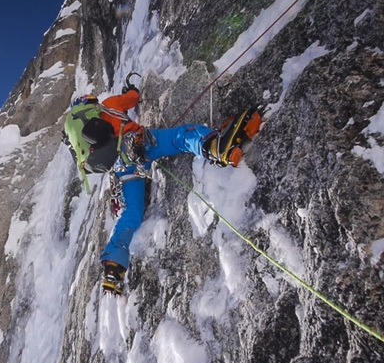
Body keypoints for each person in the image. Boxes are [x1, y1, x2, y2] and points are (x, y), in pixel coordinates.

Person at [62, 79, 262, 295]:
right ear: (89, 104)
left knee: (131, 213)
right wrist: (130, 91)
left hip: (123, 169)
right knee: (181, 137)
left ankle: (113, 264)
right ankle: (216, 147)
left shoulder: (82, 141)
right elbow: (133, 98)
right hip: (141, 145)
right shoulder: (108, 104)